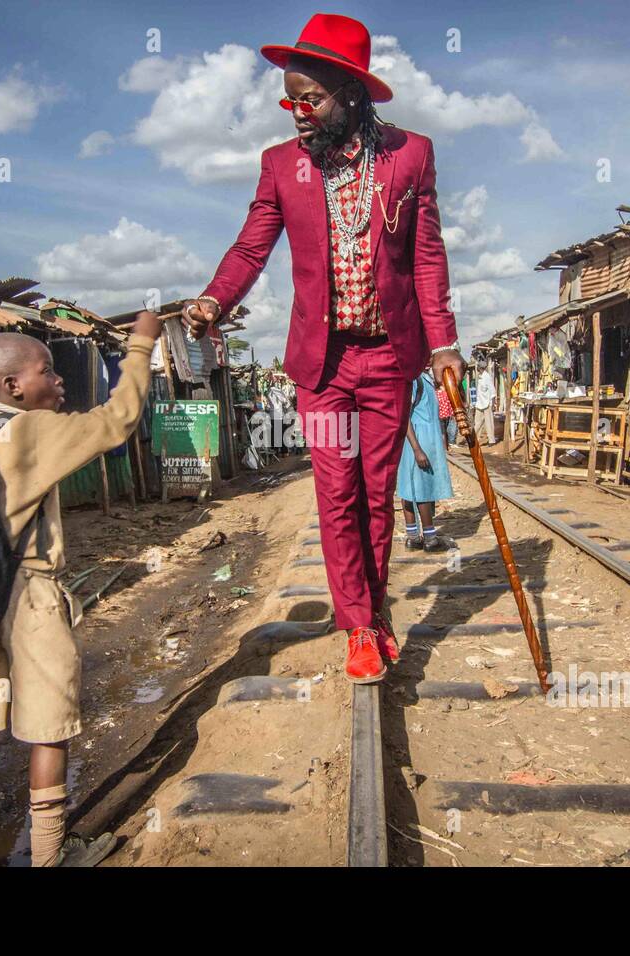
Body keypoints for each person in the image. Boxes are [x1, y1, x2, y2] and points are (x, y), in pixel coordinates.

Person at [179, 13, 465, 684]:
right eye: (289, 99)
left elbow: (427, 257)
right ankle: (360, 626)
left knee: (374, 492)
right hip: (324, 366)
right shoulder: (281, 167)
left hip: (389, 359)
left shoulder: (410, 156)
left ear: (352, 94)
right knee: (336, 492)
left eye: (311, 97)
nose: (298, 111)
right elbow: (252, 245)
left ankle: (374, 608)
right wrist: (215, 299)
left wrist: (444, 342)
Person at [0, 312, 162, 867]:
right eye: (48, 370)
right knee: (48, 725)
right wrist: (141, 347)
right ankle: (50, 855)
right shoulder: (31, 430)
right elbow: (117, 420)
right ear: (15, 386)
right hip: (28, 597)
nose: (59, 379)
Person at [398, 368, 456, 552]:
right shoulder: (414, 379)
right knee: (419, 489)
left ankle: (414, 537)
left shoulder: (425, 378)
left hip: (424, 438)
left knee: (413, 487)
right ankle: (429, 538)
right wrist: (416, 449)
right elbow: (404, 415)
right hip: (417, 438)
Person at [472, 363, 496, 445]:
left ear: (481, 368)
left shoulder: (487, 377)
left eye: (478, 367)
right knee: (477, 423)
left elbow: (492, 391)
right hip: (479, 403)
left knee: (489, 423)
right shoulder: (479, 377)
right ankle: (474, 439)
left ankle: (491, 440)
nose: (478, 369)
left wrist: (492, 404)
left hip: (487, 403)